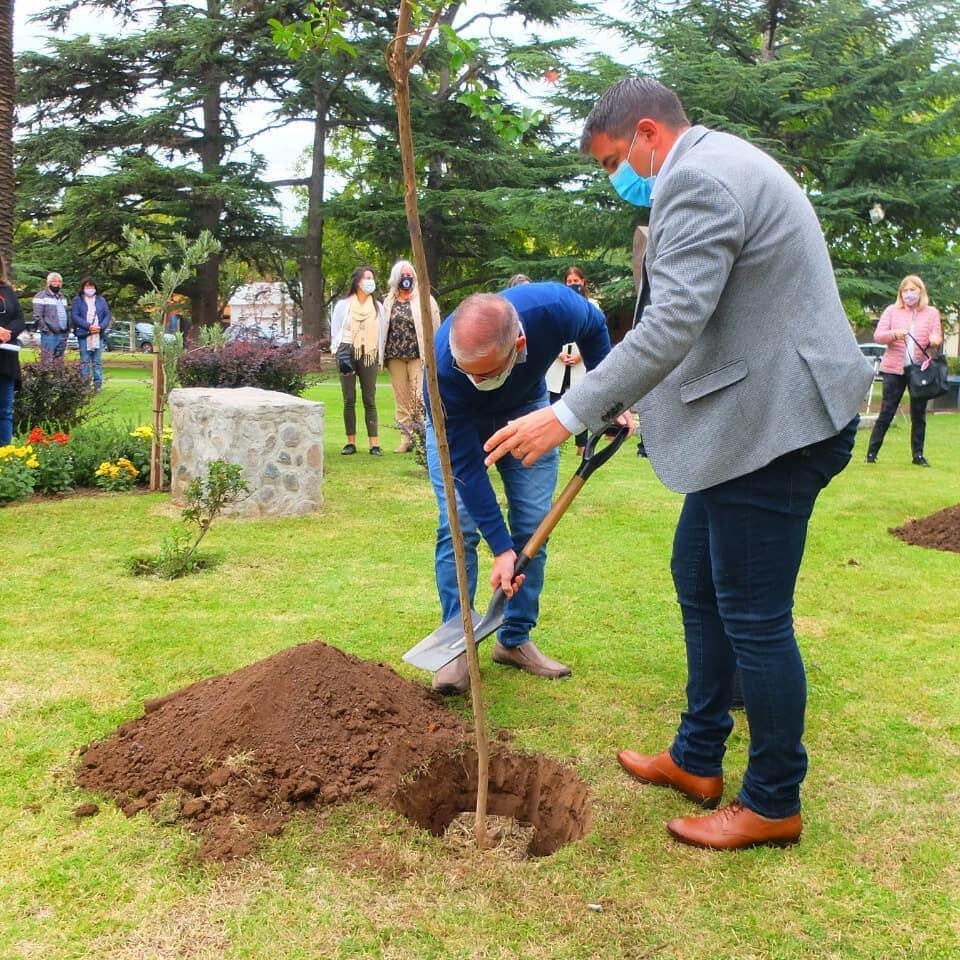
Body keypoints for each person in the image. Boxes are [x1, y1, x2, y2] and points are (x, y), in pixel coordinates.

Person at [483, 77, 873, 850]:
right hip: (764, 412)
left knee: (756, 617)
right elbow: (706, 323)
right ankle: (698, 756)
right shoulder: (719, 162)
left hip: (780, 424)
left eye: (611, 161)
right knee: (698, 576)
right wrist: (639, 405)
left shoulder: (696, 178)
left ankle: (772, 800)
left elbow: (670, 324)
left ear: (649, 135)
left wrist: (566, 414)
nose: (614, 179)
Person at [425, 282, 612, 695]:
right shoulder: (441, 367)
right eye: (467, 371)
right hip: (459, 423)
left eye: (486, 373)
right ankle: (459, 642)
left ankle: (514, 639)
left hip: (529, 411)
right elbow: (466, 470)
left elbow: (597, 329)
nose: (475, 379)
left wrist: (609, 401)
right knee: (459, 528)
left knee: (532, 526)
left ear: (519, 345)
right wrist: (500, 548)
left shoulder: (556, 308)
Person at [865, 275, 943, 467]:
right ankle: (871, 453)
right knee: (887, 411)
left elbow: (937, 335)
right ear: (901, 293)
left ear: (921, 291)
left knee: (919, 414)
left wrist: (934, 339)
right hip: (893, 369)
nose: (909, 294)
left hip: (920, 370)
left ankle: (918, 455)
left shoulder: (931, 312)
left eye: (913, 290)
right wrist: (894, 334)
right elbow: (878, 336)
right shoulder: (892, 311)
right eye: (906, 291)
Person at [381, 260, 441, 453]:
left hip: (418, 355)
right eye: (403, 275)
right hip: (395, 356)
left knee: (419, 397)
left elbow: (435, 325)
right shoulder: (388, 301)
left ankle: (423, 438)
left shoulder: (425, 298)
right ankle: (405, 438)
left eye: (410, 275)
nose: (407, 279)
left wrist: (435, 352)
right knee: (401, 398)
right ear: (396, 279)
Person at [330, 266, 386, 456]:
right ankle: (350, 441)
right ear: (357, 282)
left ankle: (374, 443)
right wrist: (337, 352)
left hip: (369, 351)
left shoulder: (378, 307)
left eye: (372, 278)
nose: (370, 281)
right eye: (366, 278)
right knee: (349, 398)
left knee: (369, 398)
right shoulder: (343, 306)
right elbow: (335, 332)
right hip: (347, 349)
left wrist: (381, 355)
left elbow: (382, 333)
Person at [545, 266, 595, 455]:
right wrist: (559, 354)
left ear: (583, 282)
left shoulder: (593, 306)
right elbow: (550, 332)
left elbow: (596, 334)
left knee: (580, 403)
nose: (573, 284)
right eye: (570, 281)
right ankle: (552, 444)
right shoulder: (559, 304)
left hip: (578, 364)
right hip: (559, 363)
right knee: (554, 402)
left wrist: (580, 355)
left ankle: (582, 446)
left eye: (576, 281)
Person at [0, 260, 26, 445]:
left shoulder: (8, 291)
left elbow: (19, 318)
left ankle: (4, 452)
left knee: (5, 410)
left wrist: (7, 332)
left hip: (6, 358)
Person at [71, 277, 111, 393]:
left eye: (92, 287)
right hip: (84, 334)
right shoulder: (78, 300)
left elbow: (106, 315)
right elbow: (75, 316)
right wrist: (89, 327)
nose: (90, 289)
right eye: (87, 286)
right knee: (85, 361)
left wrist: (100, 327)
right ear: (83, 288)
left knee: (97, 361)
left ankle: (98, 385)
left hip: (98, 334)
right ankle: (85, 386)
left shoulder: (101, 300)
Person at [32, 272, 70, 365]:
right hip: (49, 335)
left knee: (59, 362)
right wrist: (47, 331)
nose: (57, 283)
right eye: (54, 281)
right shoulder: (41, 296)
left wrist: (67, 331)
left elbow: (65, 314)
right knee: (47, 362)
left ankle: (58, 379)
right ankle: (46, 379)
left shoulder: (63, 297)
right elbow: (37, 316)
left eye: (59, 281)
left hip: (62, 334)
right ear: (48, 283)